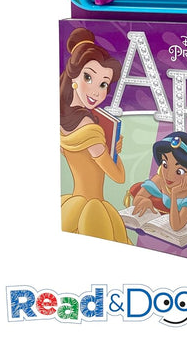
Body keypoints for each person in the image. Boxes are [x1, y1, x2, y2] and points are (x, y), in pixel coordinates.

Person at [60, 28, 130, 243]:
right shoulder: (90, 128)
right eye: (88, 77)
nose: (96, 92)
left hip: (72, 202)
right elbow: (119, 177)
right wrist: (115, 153)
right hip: (93, 207)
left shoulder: (62, 121)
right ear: (73, 75)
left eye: (103, 84)